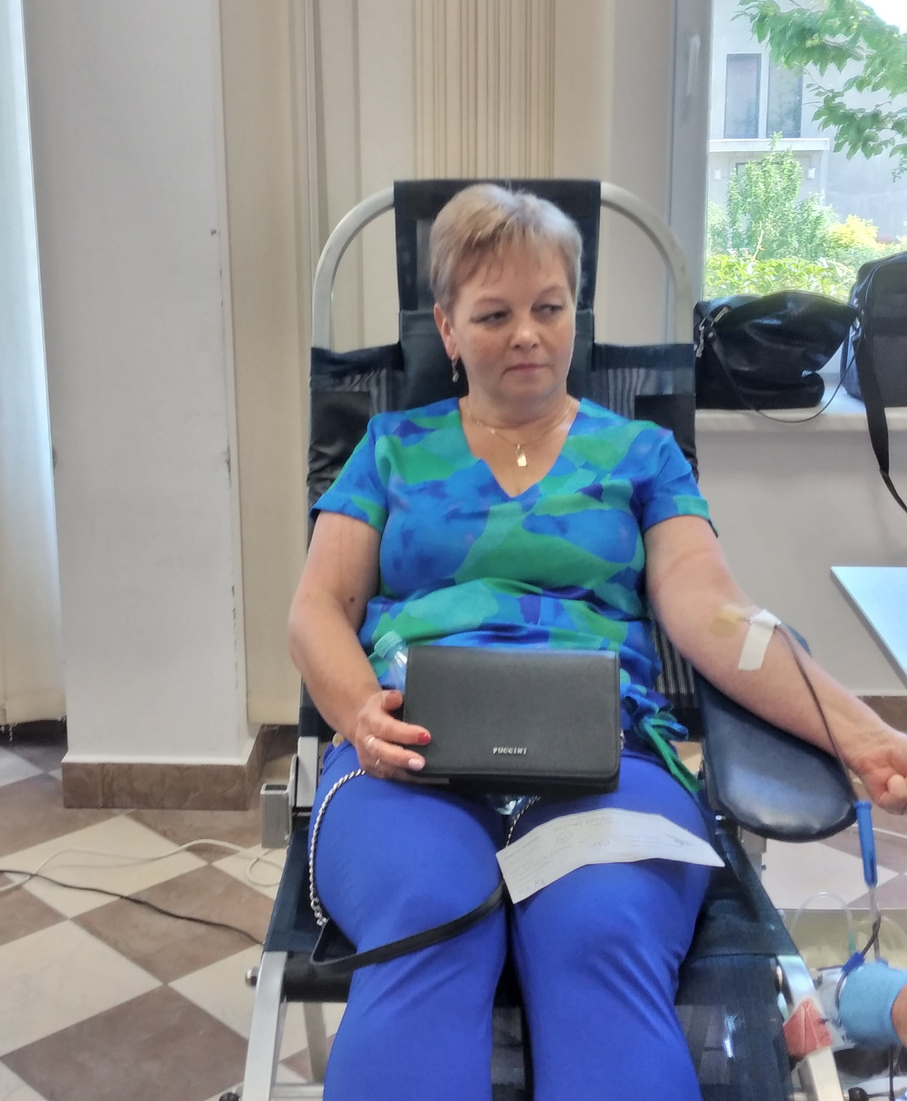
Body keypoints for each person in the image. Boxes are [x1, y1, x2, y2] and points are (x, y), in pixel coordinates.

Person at [288, 183, 907, 1101]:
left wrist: (864, 735)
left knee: (601, 931)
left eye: (550, 308)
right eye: (493, 315)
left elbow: (716, 615)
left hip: (607, 755)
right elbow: (317, 609)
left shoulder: (640, 455)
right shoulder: (391, 447)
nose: (528, 335)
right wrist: (356, 713)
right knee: (430, 914)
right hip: (407, 753)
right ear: (447, 329)